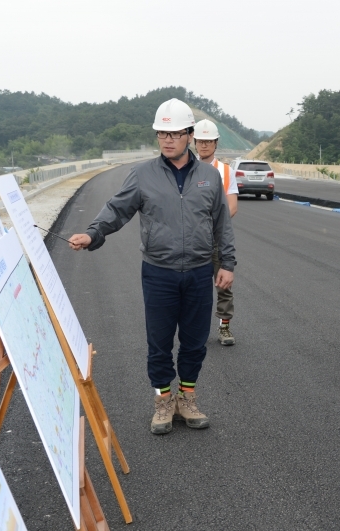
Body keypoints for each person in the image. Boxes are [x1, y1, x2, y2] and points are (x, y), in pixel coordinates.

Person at [68, 98, 236, 435]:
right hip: (159, 273)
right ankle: (163, 402)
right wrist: (92, 233)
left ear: (189, 135)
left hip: (200, 271)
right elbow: (117, 209)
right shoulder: (143, 174)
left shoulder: (209, 177)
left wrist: (227, 263)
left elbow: (222, 225)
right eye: (162, 134)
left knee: (194, 341)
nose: (167, 140)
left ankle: (186, 398)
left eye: (174, 134)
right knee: (159, 342)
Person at [194, 119, 239, 346]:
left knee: (223, 284)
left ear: (216, 143)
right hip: (192, 240)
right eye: (201, 141)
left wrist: (211, 225)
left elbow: (232, 206)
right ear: (194, 143)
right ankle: (195, 331)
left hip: (217, 239)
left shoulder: (226, 172)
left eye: (208, 141)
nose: (204, 145)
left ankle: (224, 328)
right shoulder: (185, 168)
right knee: (193, 287)